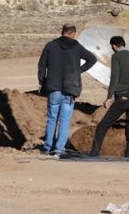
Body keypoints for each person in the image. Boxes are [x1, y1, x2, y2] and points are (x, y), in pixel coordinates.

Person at [38, 22, 97, 156]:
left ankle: (48, 148)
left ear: (62, 32)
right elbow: (92, 59)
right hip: (70, 89)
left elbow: (41, 66)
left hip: (54, 88)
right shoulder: (76, 47)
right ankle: (59, 149)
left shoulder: (50, 45)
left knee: (52, 119)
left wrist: (42, 82)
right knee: (64, 120)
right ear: (73, 33)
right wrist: (78, 71)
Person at [90, 35, 129, 161]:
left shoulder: (116, 57)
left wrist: (109, 97)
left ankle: (94, 155)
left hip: (123, 98)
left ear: (114, 46)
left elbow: (114, 78)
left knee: (102, 126)